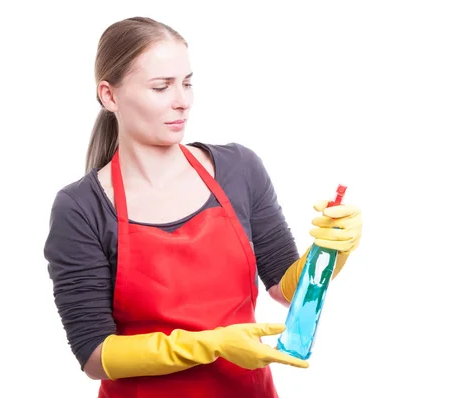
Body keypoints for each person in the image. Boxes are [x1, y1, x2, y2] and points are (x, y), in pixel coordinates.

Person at [43, 16, 363, 398]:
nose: (182, 101)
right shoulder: (81, 207)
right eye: (161, 87)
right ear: (109, 96)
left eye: (187, 82)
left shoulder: (239, 169)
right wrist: (210, 345)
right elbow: (94, 354)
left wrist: (329, 250)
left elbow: (284, 287)